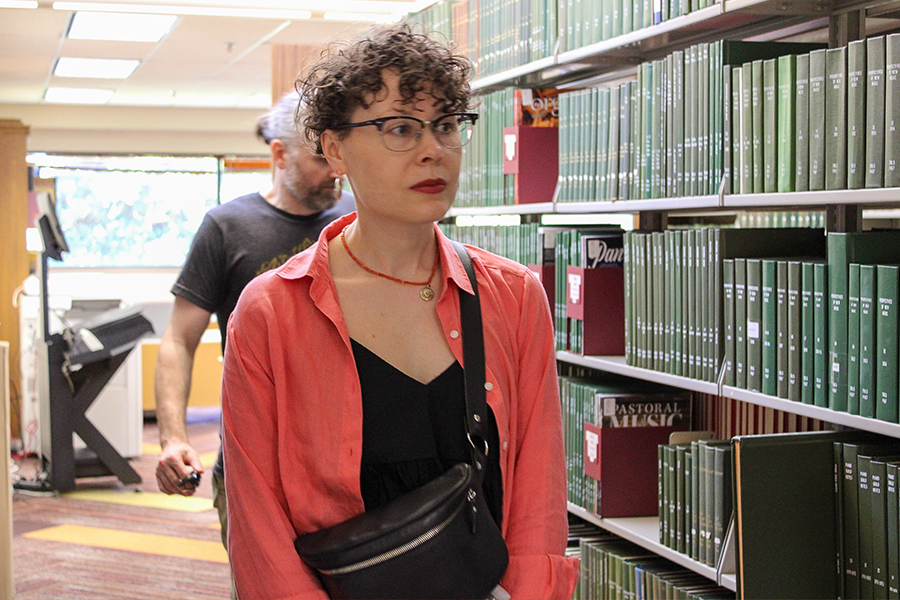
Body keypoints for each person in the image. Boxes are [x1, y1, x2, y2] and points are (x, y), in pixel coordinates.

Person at [221, 22, 578, 600]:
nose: (432, 149)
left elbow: (537, 495)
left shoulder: (514, 297)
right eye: (400, 129)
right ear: (334, 148)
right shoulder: (270, 313)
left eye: (445, 126)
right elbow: (259, 526)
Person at [154, 91, 355, 550]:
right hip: (254, 461)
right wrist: (172, 437)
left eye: (339, 155)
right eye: (320, 158)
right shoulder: (226, 227)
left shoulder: (357, 220)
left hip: (347, 458)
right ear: (280, 154)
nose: (335, 171)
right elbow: (178, 341)